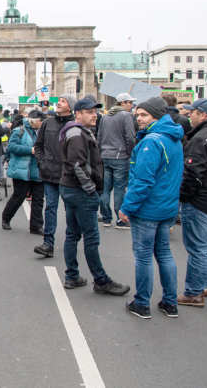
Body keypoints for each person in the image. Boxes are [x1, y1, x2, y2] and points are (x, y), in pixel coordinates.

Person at [117, 97, 184, 319]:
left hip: (148, 208)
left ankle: (142, 303)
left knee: (144, 256)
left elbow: (142, 181)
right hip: (167, 207)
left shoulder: (151, 141)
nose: (139, 118)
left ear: (156, 115)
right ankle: (170, 303)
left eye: (144, 115)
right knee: (164, 253)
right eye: (137, 114)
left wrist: (126, 208)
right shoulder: (173, 137)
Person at [59, 98, 131, 296]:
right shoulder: (77, 134)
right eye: (89, 111)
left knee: (73, 234)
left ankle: (72, 276)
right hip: (80, 191)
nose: (94, 115)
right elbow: (77, 165)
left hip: (72, 188)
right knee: (91, 238)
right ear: (78, 113)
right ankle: (101, 281)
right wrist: (90, 188)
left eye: (95, 111)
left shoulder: (76, 131)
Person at [177, 98, 207, 307]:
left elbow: (193, 175)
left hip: (202, 200)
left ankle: (194, 293)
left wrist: (184, 198)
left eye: (192, 112)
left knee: (198, 247)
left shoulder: (202, 138)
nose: (189, 115)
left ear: (203, 115)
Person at [33, 94, 76, 257]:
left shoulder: (75, 125)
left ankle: (71, 243)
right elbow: (38, 146)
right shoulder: (48, 123)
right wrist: (41, 164)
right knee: (50, 207)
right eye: (58, 101)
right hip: (49, 172)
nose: (58, 103)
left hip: (69, 175)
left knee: (70, 210)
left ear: (70, 107)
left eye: (63, 101)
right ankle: (48, 243)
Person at [97, 92, 136, 229]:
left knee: (105, 189)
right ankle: (121, 220)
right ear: (123, 103)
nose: (132, 105)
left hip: (105, 156)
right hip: (121, 156)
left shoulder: (105, 116)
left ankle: (106, 218)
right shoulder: (126, 116)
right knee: (120, 189)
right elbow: (130, 137)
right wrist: (131, 153)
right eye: (130, 102)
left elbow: (99, 136)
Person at [1, 110, 45, 233]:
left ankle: (36, 226)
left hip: (37, 170)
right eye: (41, 121)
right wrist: (29, 150)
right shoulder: (18, 131)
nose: (42, 123)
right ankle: (6, 218)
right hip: (21, 170)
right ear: (34, 121)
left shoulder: (42, 132)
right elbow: (12, 147)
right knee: (18, 197)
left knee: (38, 199)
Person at [0, 104, 10, 186]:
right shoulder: (5, 120)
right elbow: (8, 131)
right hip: (3, 142)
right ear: (1, 110)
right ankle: (1, 178)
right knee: (1, 161)